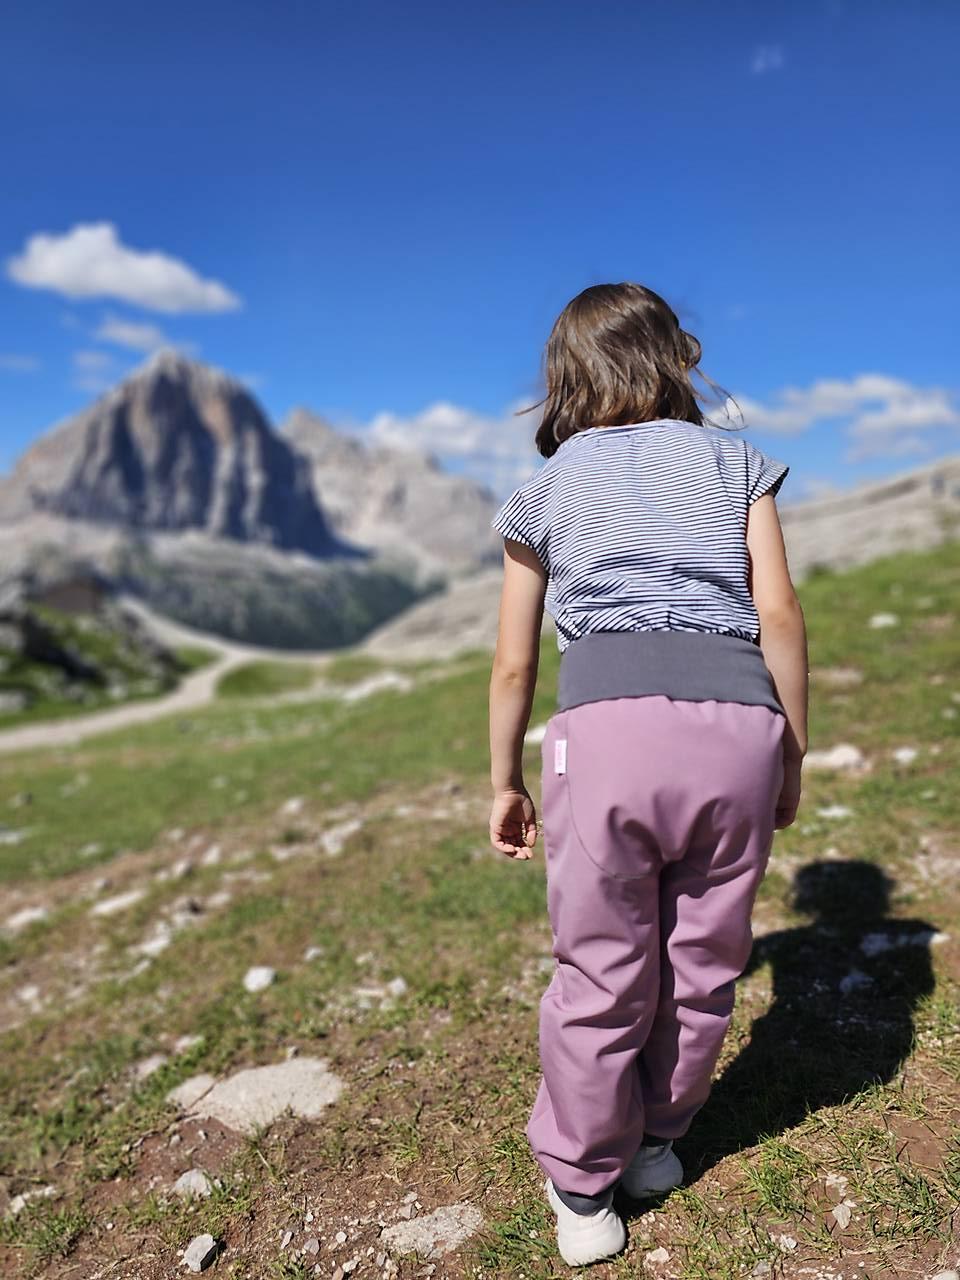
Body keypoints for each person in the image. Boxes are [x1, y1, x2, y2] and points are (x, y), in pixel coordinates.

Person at [487, 282, 809, 1268]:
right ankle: (660, 1143)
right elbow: (780, 615)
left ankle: (584, 1188)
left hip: (605, 735)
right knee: (704, 958)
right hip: (738, 729)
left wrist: (504, 778)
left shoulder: (545, 489)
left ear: (564, 380)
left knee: (601, 965)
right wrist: (790, 748)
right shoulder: (737, 464)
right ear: (676, 360)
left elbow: (513, 662)